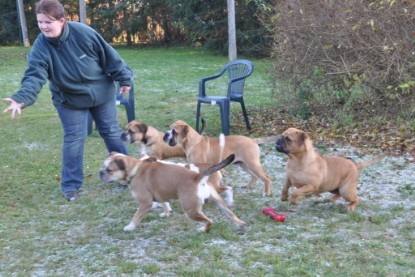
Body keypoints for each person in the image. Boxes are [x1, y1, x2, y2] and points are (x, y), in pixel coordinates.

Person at [2, 0, 132, 201]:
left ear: (62, 21)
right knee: (74, 139)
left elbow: (110, 56)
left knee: (112, 132)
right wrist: (21, 99)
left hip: (101, 93)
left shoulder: (83, 33)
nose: (44, 26)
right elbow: (34, 75)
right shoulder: (41, 46)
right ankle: (71, 185)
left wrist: (123, 78)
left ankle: (129, 175)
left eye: (48, 22)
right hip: (69, 100)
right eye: (40, 22)